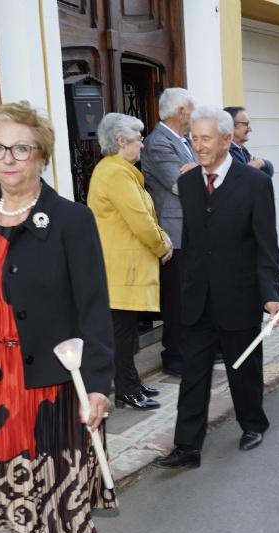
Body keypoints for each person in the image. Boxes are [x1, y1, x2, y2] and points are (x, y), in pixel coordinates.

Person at [0, 101, 115, 533]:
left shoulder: (71, 220)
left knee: (61, 472)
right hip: (3, 375)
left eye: (22, 148)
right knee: (20, 470)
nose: (10, 159)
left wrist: (98, 385)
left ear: (41, 157)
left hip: (57, 376)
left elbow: (95, 306)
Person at [153, 106, 279, 469]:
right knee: (193, 374)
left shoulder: (255, 184)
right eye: (194, 138)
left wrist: (271, 295)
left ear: (227, 139)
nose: (199, 146)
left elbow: (266, 245)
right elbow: (193, 242)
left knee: (243, 368)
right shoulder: (190, 183)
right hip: (197, 299)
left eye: (205, 138)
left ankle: (253, 424)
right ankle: (187, 446)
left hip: (239, 296)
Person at [88, 113, 172, 411]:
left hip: (123, 268)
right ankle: (126, 390)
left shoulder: (119, 171)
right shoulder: (115, 174)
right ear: (122, 142)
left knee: (126, 333)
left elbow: (144, 215)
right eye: (139, 140)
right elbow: (140, 220)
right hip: (118, 269)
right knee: (122, 336)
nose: (143, 146)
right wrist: (162, 243)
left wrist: (160, 235)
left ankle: (131, 383)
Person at [142, 88, 198, 377]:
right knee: (176, 299)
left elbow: (204, 175)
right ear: (179, 112)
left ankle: (191, 350)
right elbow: (181, 185)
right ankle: (174, 357)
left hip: (192, 230)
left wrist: (197, 170)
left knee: (192, 296)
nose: (194, 115)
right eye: (191, 109)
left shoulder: (184, 141)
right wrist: (199, 172)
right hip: (174, 233)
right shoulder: (157, 143)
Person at [224, 106, 274, 177]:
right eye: (246, 124)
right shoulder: (225, 153)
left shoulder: (241, 149)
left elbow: (269, 172)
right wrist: (251, 168)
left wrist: (260, 162)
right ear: (231, 125)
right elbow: (241, 180)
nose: (250, 129)